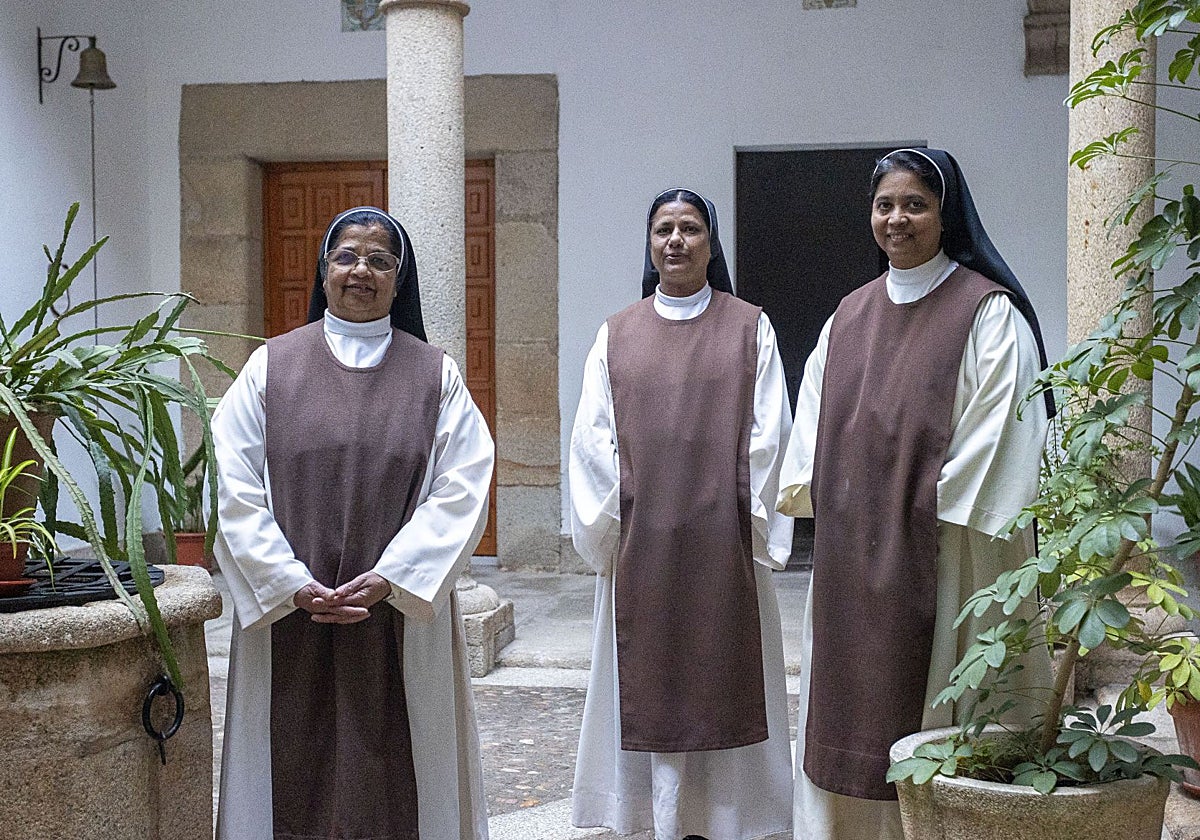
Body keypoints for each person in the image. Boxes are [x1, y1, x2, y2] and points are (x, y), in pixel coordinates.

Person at [778, 149, 1054, 839]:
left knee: (938, 708)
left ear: (945, 213)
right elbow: (812, 428)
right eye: (884, 205)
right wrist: (843, 498)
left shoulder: (988, 315)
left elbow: (1002, 433)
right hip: (851, 555)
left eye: (915, 204)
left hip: (945, 554)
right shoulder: (847, 317)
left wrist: (911, 506)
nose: (897, 218)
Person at [212, 206, 494, 840]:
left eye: (379, 260)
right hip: (292, 611)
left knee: (398, 768)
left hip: (393, 612)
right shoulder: (270, 367)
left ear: (400, 279)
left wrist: (393, 577)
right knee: (289, 768)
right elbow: (232, 484)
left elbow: (463, 487)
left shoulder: (436, 376)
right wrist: (286, 580)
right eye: (346, 256)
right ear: (324, 269)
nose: (361, 271)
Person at [569, 188, 795, 840]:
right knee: (645, 684)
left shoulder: (750, 326)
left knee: (726, 673)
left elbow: (769, 434)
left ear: (710, 242)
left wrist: (741, 520)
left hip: (726, 546)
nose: (676, 240)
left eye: (690, 228)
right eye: (664, 228)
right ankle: (646, 817)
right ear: (649, 243)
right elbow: (592, 442)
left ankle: (731, 820)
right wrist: (619, 523)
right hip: (641, 545)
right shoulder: (616, 334)